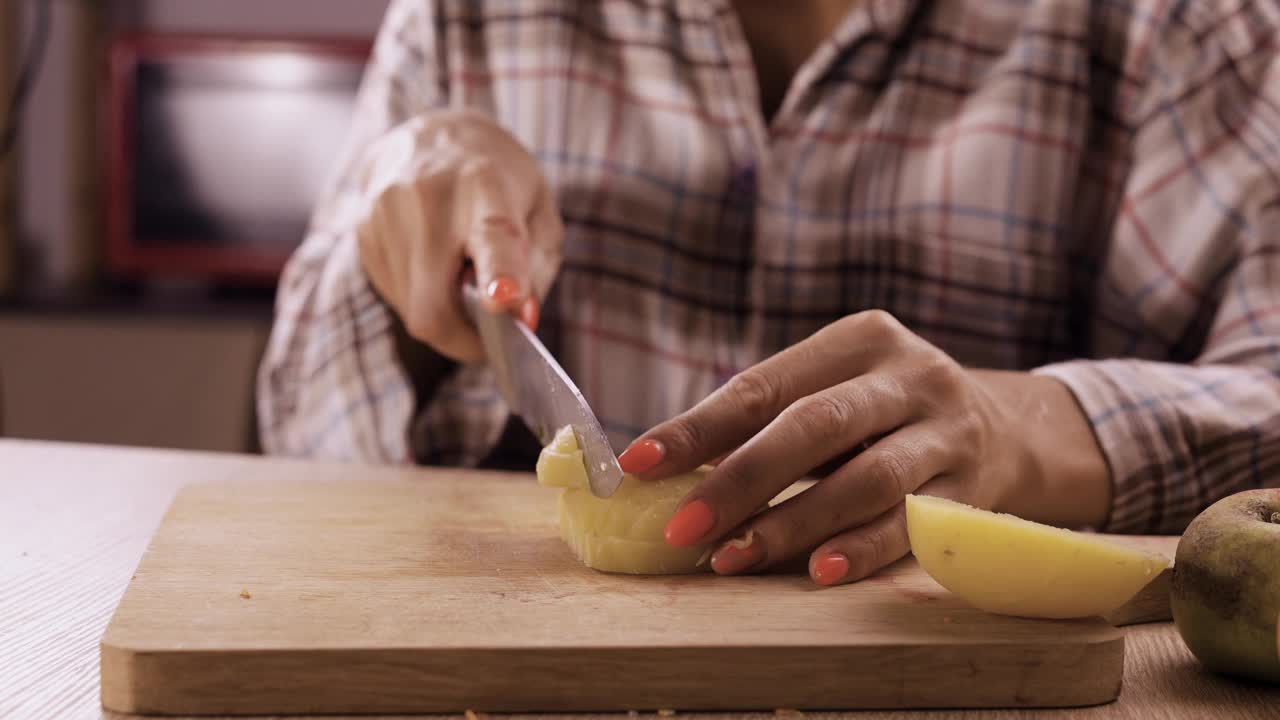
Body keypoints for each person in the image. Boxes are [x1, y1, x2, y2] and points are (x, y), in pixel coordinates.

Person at [258, 0, 1280, 586]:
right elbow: (300, 437)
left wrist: (1027, 426)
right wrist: (387, 236)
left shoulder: (1183, 29)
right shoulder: (458, 15)